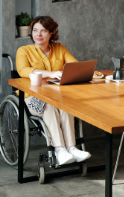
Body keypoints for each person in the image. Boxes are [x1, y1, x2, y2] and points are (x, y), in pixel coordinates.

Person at [16, 16, 91, 165]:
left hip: (57, 95)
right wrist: (50, 74)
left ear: (52, 33)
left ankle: (71, 148)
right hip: (31, 98)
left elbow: (75, 66)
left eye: (43, 31)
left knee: (66, 105)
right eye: (35, 30)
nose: (38, 34)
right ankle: (59, 150)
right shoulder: (24, 51)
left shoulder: (59, 48)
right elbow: (23, 70)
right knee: (49, 105)